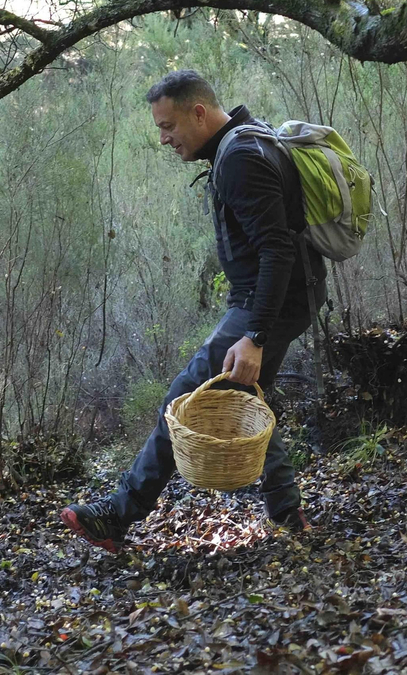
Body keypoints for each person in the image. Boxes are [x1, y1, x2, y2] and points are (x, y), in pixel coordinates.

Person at [60, 70, 324, 552]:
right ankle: (289, 513)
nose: (164, 139)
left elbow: (277, 251)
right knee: (245, 399)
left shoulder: (240, 157)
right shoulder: (248, 137)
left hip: (267, 304)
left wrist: (255, 336)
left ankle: (118, 515)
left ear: (198, 113)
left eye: (168, 126)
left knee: (189, 398)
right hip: (280, 299)